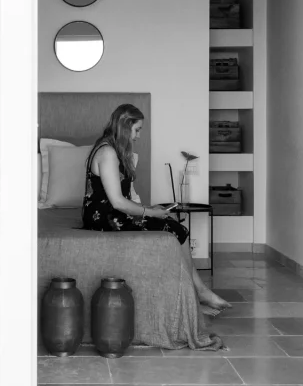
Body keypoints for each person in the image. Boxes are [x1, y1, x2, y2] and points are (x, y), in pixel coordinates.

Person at [82, 104, 231, 317]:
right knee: (176, 229)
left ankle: (198, 291)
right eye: (137, 130)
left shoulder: (114, 149)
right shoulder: (107, 152)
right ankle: (200, 292)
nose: (138, 136)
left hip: (113, 214)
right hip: (103, 218)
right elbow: (117, 202)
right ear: (125, 126)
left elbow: (122, 199)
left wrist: (149, 209)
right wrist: (150, 213)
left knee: (176, 228)